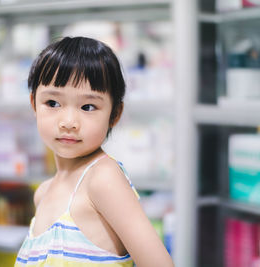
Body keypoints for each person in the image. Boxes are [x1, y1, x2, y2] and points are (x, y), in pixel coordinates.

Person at [15, 36, 174, 267]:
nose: (69, 121)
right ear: (34, 104)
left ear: (114, 114)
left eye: (88, 107)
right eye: (52, 103)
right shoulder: (43, 193)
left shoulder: (102, 178)